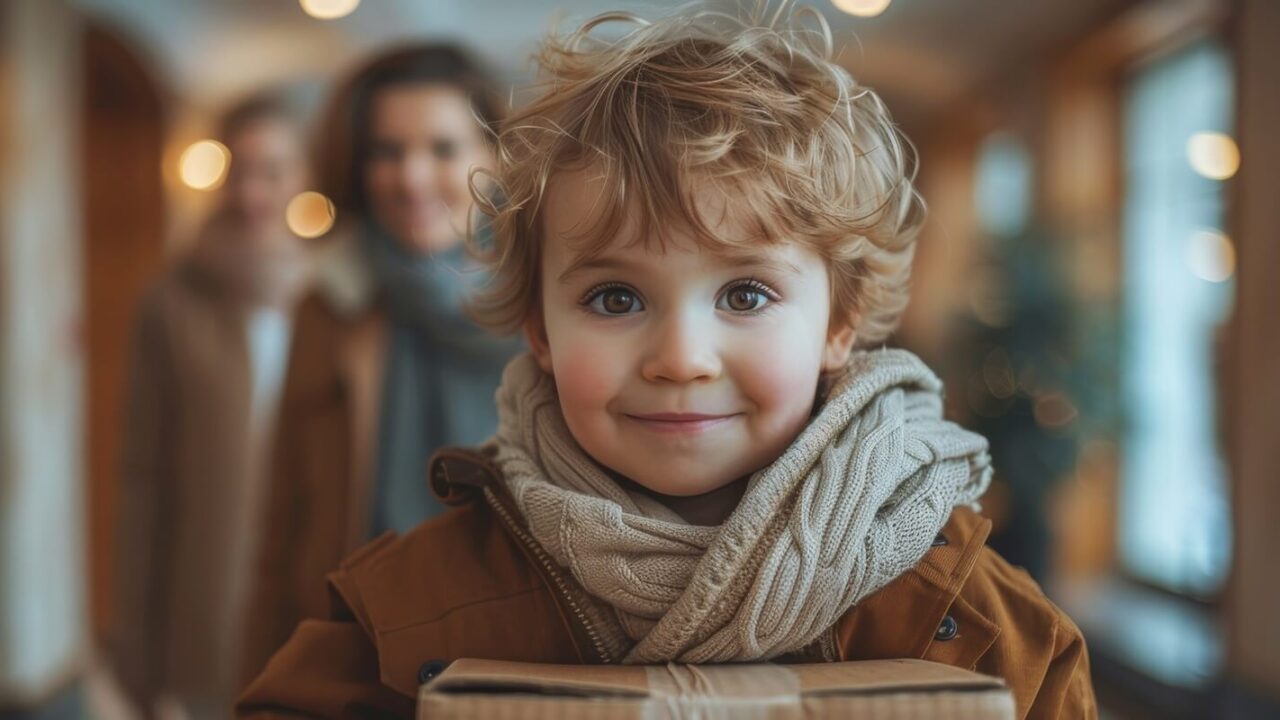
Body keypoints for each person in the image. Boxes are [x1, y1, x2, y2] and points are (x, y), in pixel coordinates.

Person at [239, 5, 1097, 719]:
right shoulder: (400, 615)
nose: (682, 359)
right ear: (538, 327)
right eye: (616, 298)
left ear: (841, 321)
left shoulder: (980, 625)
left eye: (746, 296)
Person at [240, 44, 522, 684]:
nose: (412, 177)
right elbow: (282, 520)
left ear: (496, 158)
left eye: (443, 149)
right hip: (354, 646)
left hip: (513, 647)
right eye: (387, 151)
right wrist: (258, 680)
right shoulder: (329, 303)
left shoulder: (547, 303)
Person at [111, 91, 311, 720]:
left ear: (301, 177)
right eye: (237, 170)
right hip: (202, 587)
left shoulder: (332, 297)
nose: (252, 192)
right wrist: (134, 646)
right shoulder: (171, 301)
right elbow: (141, 476)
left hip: (309, 581)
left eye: (271, 171)